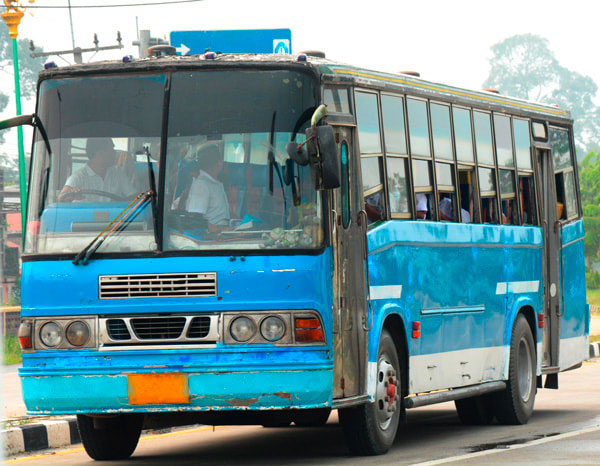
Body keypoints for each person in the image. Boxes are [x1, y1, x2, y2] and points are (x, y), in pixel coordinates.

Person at [58, 138, 135, 202]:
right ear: (100, 154)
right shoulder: (78, 177)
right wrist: (71, 195)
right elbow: (60, 198)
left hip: (117, 219)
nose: (115, 153)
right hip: (85, 220)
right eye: (112, 149)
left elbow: (134, 197)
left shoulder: (118, 173)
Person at [180, 143, 230, 229]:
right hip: (211, 237)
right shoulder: (201, 185)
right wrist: (218, 229)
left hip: (224, 232)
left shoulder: (216, 182)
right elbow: (195, 220)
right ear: (219, 163)